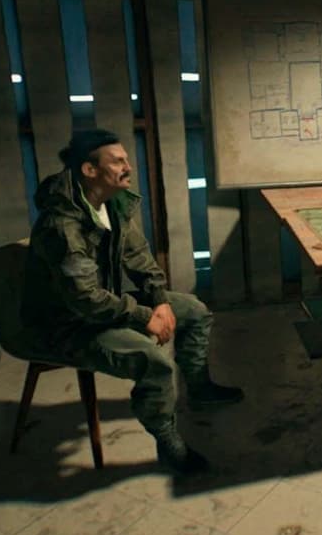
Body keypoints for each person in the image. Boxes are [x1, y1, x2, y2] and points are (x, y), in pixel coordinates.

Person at [21, 129, 242, 475]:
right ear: (89, 170)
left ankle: (199, 389)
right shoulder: (61, 226)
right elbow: (84, 299)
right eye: (118, 161)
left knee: (195, 311)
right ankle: (168, 442)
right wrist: (142, 316)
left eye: (126, 159)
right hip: (67, 324)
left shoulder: (111, 204)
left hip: (102, 306)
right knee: (153, 360)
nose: (128, 167)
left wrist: (159, 301)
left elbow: (139, 258)